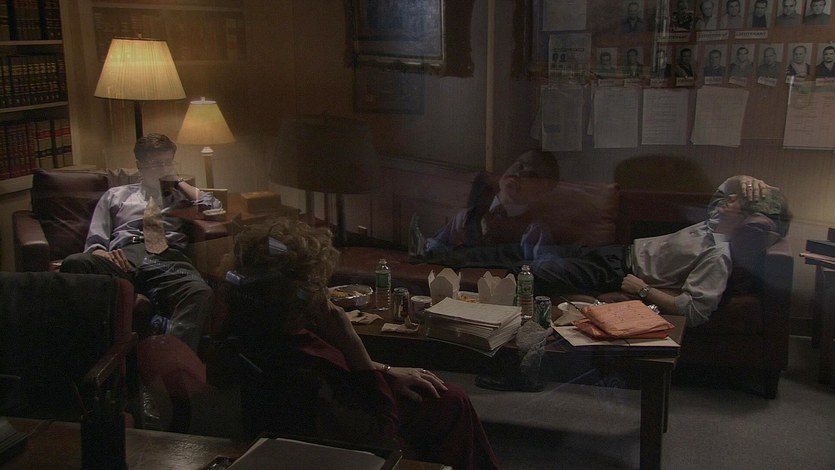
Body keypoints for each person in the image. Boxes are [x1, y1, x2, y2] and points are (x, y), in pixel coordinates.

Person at [224, 218, 500, 470]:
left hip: (355, 389)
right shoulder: (298, 375)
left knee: (448, 397)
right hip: (357, 413)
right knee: (451, 404)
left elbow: (327, 361)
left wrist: (386, 370)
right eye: (318, 283)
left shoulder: (269, 324)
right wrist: (352, 343)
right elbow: (380, 436)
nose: (324, 291)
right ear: (298, 296)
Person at [530, 176, 788, 327]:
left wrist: (643, 290)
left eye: (737, 200)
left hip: (616, 270)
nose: (729, 199)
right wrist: (743, 181)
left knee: (533, 270)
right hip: (615, 252)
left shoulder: (718, 256)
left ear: (745, 218)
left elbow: (694, 312)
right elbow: (723, 191)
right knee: (526, 252)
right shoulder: (715, 222)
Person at [60, 134, 220, 353]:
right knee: (75, 263)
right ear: (140, 166)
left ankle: (170, 357)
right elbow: (96, 239)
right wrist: (100, 253)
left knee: (201, 292)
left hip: (168, 258)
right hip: (125, 256)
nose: (163, 169)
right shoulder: (116, 196)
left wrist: (178, 181)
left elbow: (215, 206)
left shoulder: (181, 197)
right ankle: (88, 356)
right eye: (156, 164)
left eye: (168, 163)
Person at [423, 149, 559, 266]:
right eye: (520, 165)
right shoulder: (467, 216)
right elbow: (433, 247)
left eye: (531, 175)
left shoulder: (533, 229)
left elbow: (548, 267)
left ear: (541, 192)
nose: (519, 174)